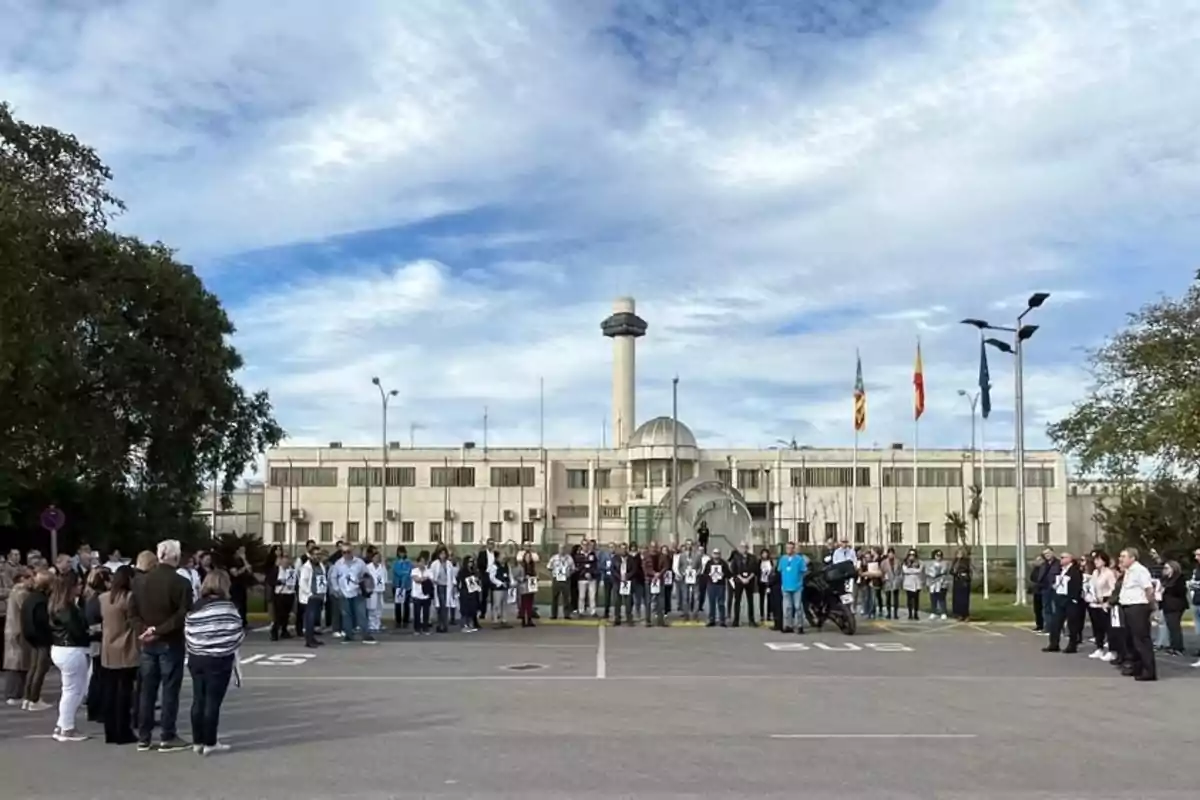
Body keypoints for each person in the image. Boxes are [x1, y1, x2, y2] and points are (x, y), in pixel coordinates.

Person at [129, 539, 193, 752]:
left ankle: (144, 736)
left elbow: (132, 613)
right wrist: (159, 630)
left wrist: (144, 630)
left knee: (147, 689)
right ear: (175, 557)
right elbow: (183, 614)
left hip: (148, 642)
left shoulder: (140, 582)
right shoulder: (181, 583)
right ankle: (167, 735)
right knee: (169, 690)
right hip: (170, 641)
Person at [185, 570, 245, 755]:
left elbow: (188, 630)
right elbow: (237, 633)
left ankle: (197, 741)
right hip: (219, 660)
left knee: (198, 700)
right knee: (212, 702)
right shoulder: (228, 607)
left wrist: (197, 647)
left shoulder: (196, 606)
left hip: (197, 658)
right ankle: (210, 742)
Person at [48, 572, 91, 742]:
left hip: (60, 648)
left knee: (69, 689)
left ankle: (62, 725)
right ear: (70, 587)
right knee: (74, 691)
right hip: (71, 649)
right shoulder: (66, 607)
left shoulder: (56, 605)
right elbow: (77, 631)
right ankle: (67, 728)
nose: (81, 586)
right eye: (78, 584)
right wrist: (90, 633)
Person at [99, 565, 140, 744]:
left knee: (109, 691)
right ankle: (123, 730)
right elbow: (134, 622)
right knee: (124, 692)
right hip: (126, 646)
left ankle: (110, 731)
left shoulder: (103, 598)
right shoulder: (129, 598)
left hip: (108, 646)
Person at [1116, 547, 1156, 681]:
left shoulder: (1140, 570)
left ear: (1132, 558)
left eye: (1123, 556)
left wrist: (1150, 606)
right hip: (1127, 606)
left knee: (1141, 639)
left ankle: (1149, 670)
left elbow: (1149, 589)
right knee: (1131, 640)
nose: (1120, 559)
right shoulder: (1128, 571)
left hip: (1138, 607)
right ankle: (1137, 667)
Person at [19, 569, 55, 712]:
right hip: (41, 637)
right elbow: (42, 621)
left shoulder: (30, 598)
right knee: (40, 668)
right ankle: (34, 699)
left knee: (33, 668)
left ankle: (27, 698)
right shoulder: (41, 600)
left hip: (30, 636)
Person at [3, 568, 32, 706]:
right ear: (22, 579)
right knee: (16, 664)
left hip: (15, 630)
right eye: (30, 577)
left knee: (18, 663)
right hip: (17, 631)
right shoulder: (21, 592)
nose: (33, 580)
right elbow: (27, 608)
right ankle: (13, 693)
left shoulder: (16, 591)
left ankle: (16, 693)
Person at [1044, 553, 1083, 653]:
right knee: (1056, 622)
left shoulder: (1075, 571)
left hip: (1070, 600)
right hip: (1060, 599)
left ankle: (1072, 645)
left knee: (1072, 624)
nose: (1060, 559)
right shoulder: (1061, 570)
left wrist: (1074, 599)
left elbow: (1077, 585)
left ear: (1070, 559)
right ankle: (1054, 644)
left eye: (1063, 557)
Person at [1087, 551, 1117, 661]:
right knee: (1097, 627)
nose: (1096, 562)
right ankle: (1099, 648)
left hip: (1104, 603)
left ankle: (1111, 650)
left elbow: (1113, 588)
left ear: (1104, 561)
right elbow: (1091, 586)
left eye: (1099, 559)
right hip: (1094, 602)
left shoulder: (1109, 573)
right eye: (1095, 560)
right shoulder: (1095, 572)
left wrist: (1106, 598)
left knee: (1108, 627)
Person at [298, 548, 328, 649]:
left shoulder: (321, 565)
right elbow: (302, 582)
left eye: (319, 554)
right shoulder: (306, 567)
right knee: (309, 619)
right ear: (310, 555)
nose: (317, 556)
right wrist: (309, 593)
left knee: (315, 619)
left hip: (319, 595)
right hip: (310, 597)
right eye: (315, 554)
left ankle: (313, 638)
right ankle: (309, 640)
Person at [1159, 560, 1187, 656]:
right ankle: (1172, 646)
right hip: (1167, 605)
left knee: (1175, 627)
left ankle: (1178, 647)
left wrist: (1166, 589)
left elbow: (1181, 591)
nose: (1165, 570)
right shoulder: (1166, 579)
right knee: (1170, 627)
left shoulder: (1179, 578)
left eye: (1167, 568)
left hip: (1175, 605)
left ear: (1173, 569)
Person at [778, 542, 807, 634]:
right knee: (787, 607)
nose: (789, 550)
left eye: (791, 548)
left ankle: (799, 625)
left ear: (794, 549)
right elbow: (780, 570)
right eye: (787, 548)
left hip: (797, 587)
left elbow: (804, 571)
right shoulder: (783, 559)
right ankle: (788, 625)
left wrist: (800, 581)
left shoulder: (799, 559)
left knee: (798, 606)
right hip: (786, 586)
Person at [271, 554, 298, 641]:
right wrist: (279, 582)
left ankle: (284, 631)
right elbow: (270, 581)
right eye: (284, 562)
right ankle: (274, 632)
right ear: (281, 562)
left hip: (289, 594)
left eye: (288, 562)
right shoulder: (276, 570)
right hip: (280, 594)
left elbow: (294, 581)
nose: (286, 564)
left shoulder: (292, 570)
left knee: (286, 614)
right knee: (279, 615)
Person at [365, 550, 388, 637]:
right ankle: (371, 625)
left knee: (379, 608)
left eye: (378, 557)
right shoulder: (368, 567)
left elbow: (385, 578)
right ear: (372, 558)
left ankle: (377, 625)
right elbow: (366, 578)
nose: (377, 559)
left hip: (380, 590)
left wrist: (384, 587)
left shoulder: (382, 567)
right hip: (372, 590)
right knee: (372, 608)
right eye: (375, 557)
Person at [548, 544, 574, 620]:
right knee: (554, 597)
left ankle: (566, 614)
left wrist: (569, 574)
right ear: (558, 549)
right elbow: (549, 567)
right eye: (560, 548)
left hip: (566, 580)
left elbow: (573, 568)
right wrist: (552, 576)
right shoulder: (554, 558)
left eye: (563, 548)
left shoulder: (569, 558)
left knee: (566, 598)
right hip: (556, 579)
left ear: (565, 549)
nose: (562, 550)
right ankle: (553, 614)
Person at [705, 549, 729, 628]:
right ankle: (712, 620)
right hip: (711, 585)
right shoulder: (709, 563)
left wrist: (723, 574)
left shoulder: (723, 563)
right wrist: (709, 575)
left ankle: (722, 620)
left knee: (721, 603)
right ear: (712, 554)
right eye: (715, 553)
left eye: (718, 553)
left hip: (720, 585)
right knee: (711, 603)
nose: (716, 555)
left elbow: (728, 574)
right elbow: (705, 573)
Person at [457, 555, 481, 633]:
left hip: (473, 591)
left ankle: (470, 624)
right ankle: (464, 625)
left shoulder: (473, 571)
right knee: (465, 609)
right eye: (469, 561)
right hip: (465, 591)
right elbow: (462, 580)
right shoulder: (462, 571)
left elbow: (477, 579)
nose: (471, 563)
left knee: (472, 608)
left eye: (472, 562)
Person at [949, 548, 973, 621]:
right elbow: (951, 571)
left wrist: (964, 575)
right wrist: (955, 573)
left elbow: (968, 570)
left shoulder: (966, 561)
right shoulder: (955, 561)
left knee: (964, 599)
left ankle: (965, 614)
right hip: (957, 581)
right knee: (957, 599)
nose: (960, 555)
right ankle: (958, 614)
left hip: (964, 581)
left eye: (961, 553)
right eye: (958, 553)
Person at [901, 550, 924, 621]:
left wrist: (911, 570)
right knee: (909, 599)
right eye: (910, 555)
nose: (912, 556)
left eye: (913, 555)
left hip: (917, 583)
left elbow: (919, 570)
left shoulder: (920, 562)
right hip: (908, 584)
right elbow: (905, 571)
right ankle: (910, 614)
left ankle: (916, 614)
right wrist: (913, 570)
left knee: (916, 599)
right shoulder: (905, 562)